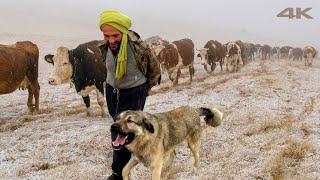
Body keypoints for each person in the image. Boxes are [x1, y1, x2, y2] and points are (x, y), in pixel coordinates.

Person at [98, 9, 161, 180]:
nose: (111, 40)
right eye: (107, 36)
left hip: (134, 92)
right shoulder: (104, 47)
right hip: (112, 91)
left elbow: (155, 70)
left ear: (123, 32)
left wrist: (146, 89)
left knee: (124, 131)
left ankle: (118, 173)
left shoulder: (139, 48)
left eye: (115, 36)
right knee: (117, 125)